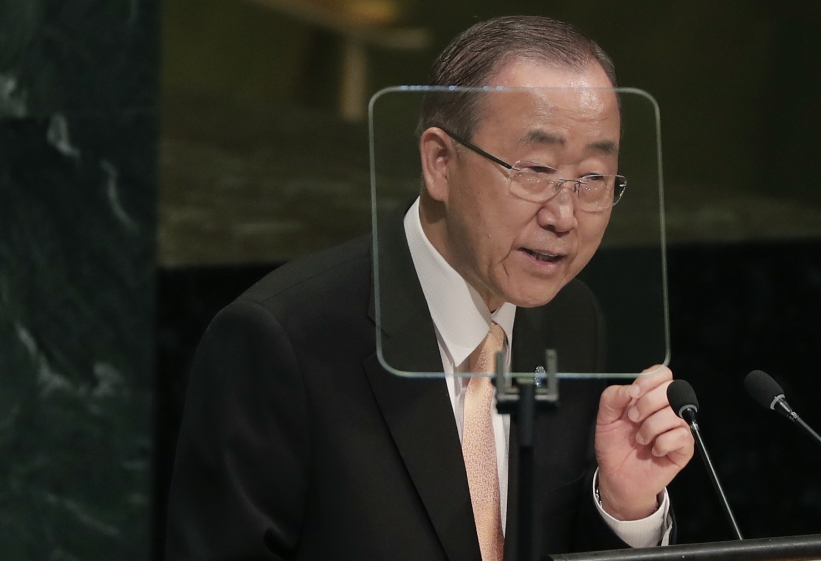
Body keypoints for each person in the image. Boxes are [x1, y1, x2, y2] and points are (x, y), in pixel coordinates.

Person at [165, 15, 694, 561]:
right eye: (536, 170)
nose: (563, 215)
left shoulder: (572, 318)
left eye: (593, 179)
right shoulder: (283, 341)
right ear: (440, 163)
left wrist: (625, 506)